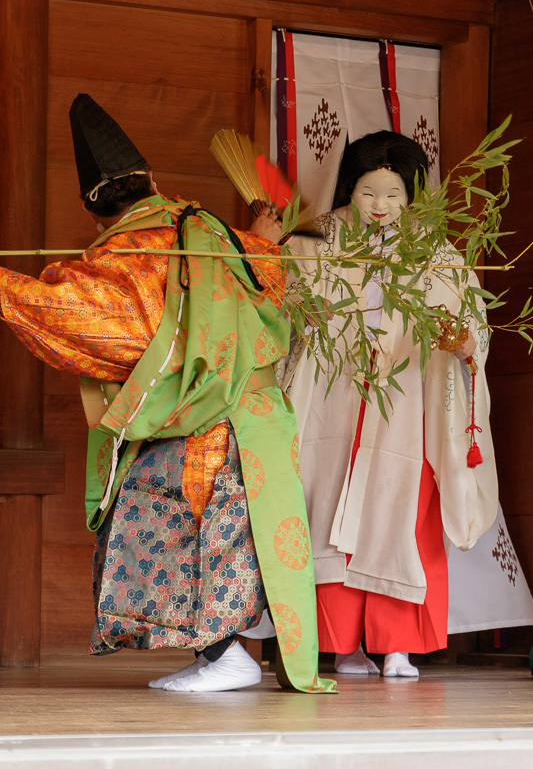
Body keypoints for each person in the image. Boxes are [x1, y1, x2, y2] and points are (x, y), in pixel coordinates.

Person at [0, 94, 336, 695]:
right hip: (255, 414)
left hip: (207, 424)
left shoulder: (125, 255)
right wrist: (264, 238)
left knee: (164, 521)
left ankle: (227, 654)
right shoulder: (206, 229)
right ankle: (223, 654)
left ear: (94, 211)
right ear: (152, 181)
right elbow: (263, 288)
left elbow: (86, 324)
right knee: (224, 529)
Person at [284, 130, 498, 677]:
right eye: (368, 193)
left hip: (403, 403)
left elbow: (473, 326)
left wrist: (460, 341)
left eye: (394, 195)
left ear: (413, 197)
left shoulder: (435, 254)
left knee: (398, 515)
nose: (380, 207)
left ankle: (396, 646)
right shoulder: (313, 240)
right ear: (349, 190)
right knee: (326, 510)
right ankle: (340, 645)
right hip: (333, 396)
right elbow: (279, 302)